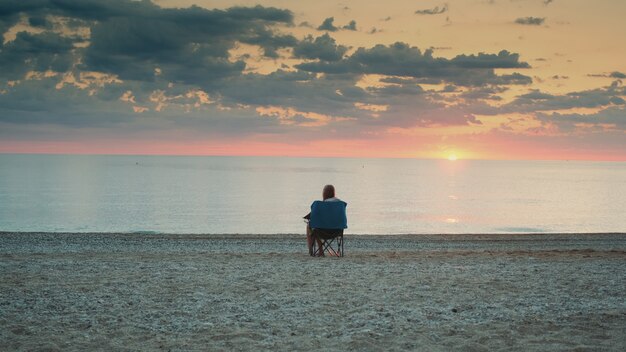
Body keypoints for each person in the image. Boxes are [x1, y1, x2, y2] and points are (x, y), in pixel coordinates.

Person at [304, 184, 342, 256]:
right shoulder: (340, 204)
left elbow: (313, 216)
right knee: (316, 226)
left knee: (310, 225)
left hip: (322, 232)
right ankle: (336, 251)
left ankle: (314, 251)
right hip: (337, 231)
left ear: (325, 193)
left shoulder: (320, 205)